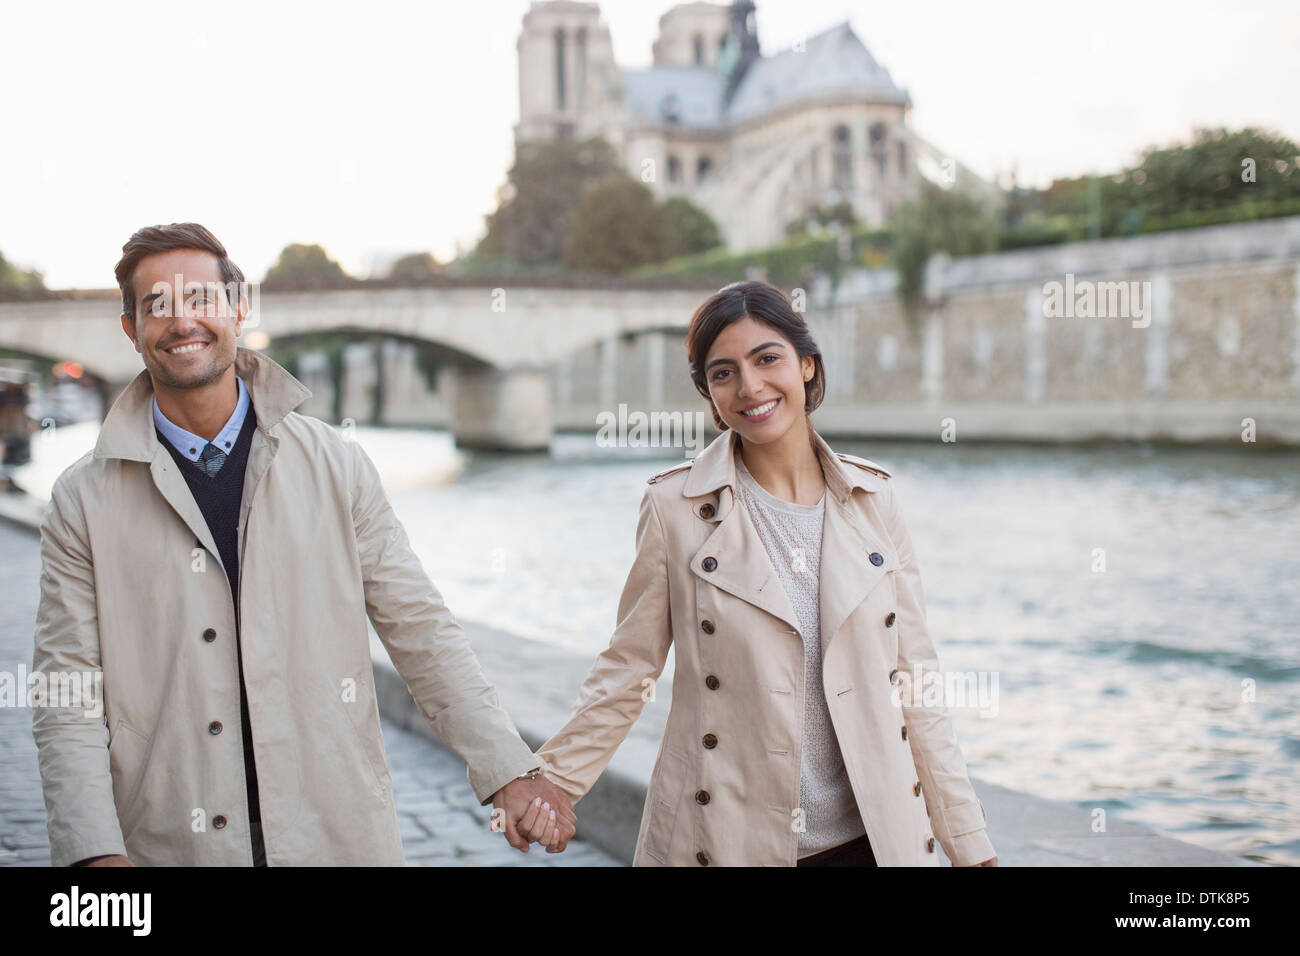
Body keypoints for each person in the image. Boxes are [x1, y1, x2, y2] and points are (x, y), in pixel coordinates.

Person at [31, 222, 573, 866]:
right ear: (130, 329)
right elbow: (66, 694)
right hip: (171, 843)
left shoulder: (337, 466)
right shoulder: (81, 500)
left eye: (201, 299)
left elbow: (420, 629)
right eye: (158, 305)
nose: (184, 322)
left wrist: (509, 768)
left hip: (335, 836)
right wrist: (94, 854)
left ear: (238, 309)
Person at [534, 280, 998, 866]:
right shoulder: (676, 510)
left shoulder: (874, 500)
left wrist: (968, 842)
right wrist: (554, 779)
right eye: (723, 372)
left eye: (767, 359)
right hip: (725, 840)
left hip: (874, 844)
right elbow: (629, 668)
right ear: (709, 391)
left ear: (806, 365)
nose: (750, 386)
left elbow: (916, 680)